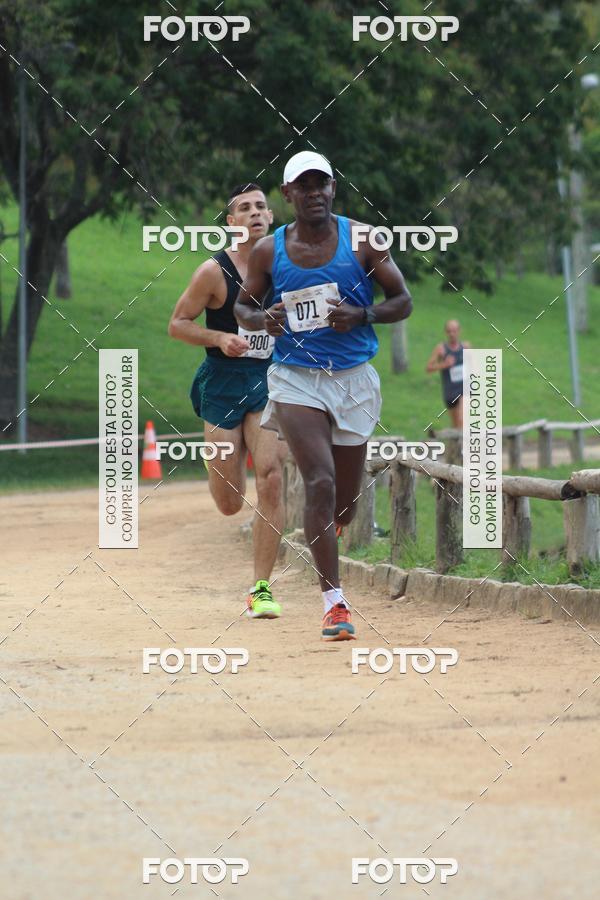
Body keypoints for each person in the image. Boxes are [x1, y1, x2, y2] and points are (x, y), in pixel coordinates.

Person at [234, 151, 412, 641]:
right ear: (287, 194)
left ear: (333, 188)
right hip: (295, 377)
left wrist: (362, 315)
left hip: (353, 378)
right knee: (320, 480)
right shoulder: (270, 252)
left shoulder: (364, 240)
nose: (314, 193)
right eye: (303, 186)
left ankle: (327, 529)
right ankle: (334, 603)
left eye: (322, 184)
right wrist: (262, 318)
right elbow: (243, 308)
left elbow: (403, 301)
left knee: (344, 505)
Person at [168, 183, 288, 619]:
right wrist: (219, 336)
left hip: (271, 380)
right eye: (244, 208)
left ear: (271, 217)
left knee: (272, 477)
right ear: (231, 223)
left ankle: (261, 588)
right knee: (230, 502)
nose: (255, 212)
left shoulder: (289, 265)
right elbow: (177, 324)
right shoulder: (212, 273)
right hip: (222, 381)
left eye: (261, 206)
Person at [425, 319, 471, 428]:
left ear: (459, 331)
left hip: (465, 389)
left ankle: (466, 443)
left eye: (454, 331)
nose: (452, 334)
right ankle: (455, 444)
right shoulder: (441, 349)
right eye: (449, 331)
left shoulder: (466, 346)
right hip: (450, 391)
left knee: (463, 420)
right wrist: (444, 365)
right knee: (456, 426)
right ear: (446, 332)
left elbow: (473, 366)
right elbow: (428, 368)